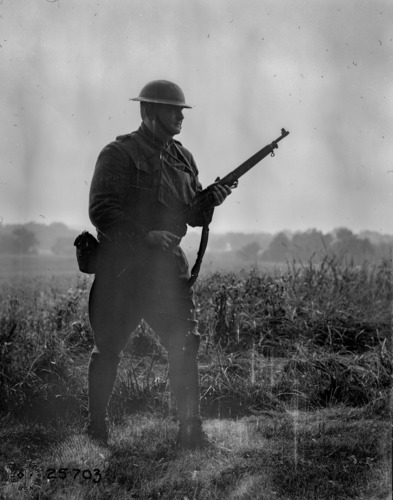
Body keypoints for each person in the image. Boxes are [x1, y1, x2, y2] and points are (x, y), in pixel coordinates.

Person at [87, 80, 231, 448]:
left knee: (184, 343)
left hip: (167, 272)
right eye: (173, 109)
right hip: (123, 270)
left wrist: (211, 200)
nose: (181, 116)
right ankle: (96, 428)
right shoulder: (117, 154)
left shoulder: (184, 158)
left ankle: (191, 431)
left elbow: (193, 215)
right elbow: (101, 209)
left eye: (182, 110)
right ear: (148, 112)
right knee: (108, 350)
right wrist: (144, 235)